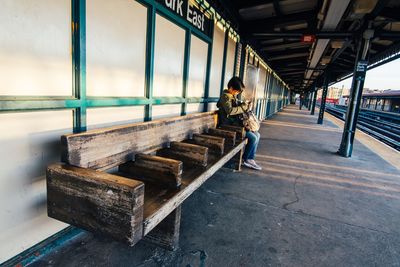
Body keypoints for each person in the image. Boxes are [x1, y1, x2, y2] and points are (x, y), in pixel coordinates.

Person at [217, 77, 262, 170]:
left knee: (257, 135)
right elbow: (229, 111)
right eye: (236, 91)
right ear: (231, 88)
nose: (237, 93)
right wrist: (242, 107)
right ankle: (246, 159)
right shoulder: (225, 96)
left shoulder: (231, 96)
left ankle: (250, 158)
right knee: (253, 138)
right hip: (228, 126)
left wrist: (243, 104)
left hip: (235, 124)